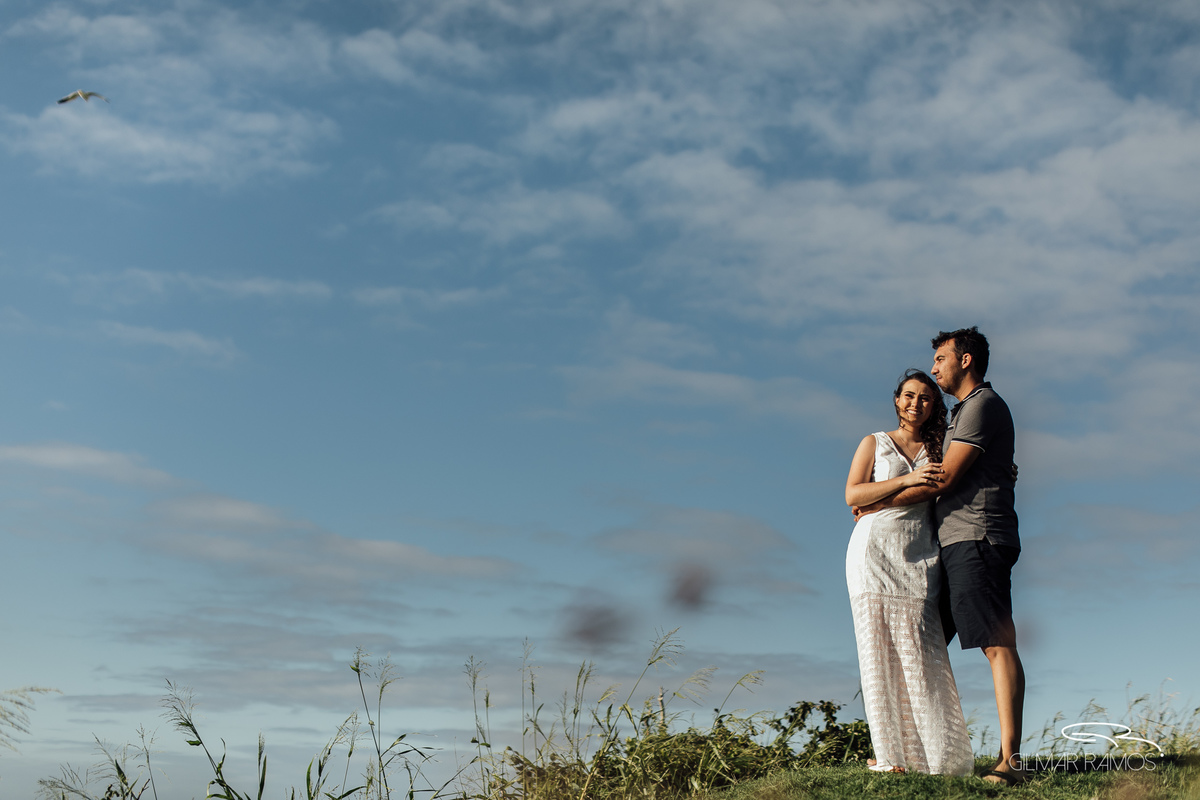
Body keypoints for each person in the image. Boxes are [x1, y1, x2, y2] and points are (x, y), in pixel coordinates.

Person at [855, 327, 1025, 786]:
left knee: (995, 641)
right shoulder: (963, 414)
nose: (935, 369)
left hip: (978, 536)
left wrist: (874, 503)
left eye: (940, 360)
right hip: (950, 544)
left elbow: (944, 479)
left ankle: (1012, 763)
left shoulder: (983, 405)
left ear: (965, 360)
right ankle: (912, 750)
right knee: (925, 646)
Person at [844, 369, 975, 776]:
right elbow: (852, 494)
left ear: (935, 406)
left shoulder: (941, 447)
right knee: (876, 652)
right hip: (872, 555)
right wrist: (908, 479)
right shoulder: (874, 442)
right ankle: (891, 758)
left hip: (920, 557)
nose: (915, 403)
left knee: (922, 650)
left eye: (925, 397)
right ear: (897, 400)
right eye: (908, 395)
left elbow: (964, 473)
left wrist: (1004, 473)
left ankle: (939, 759)